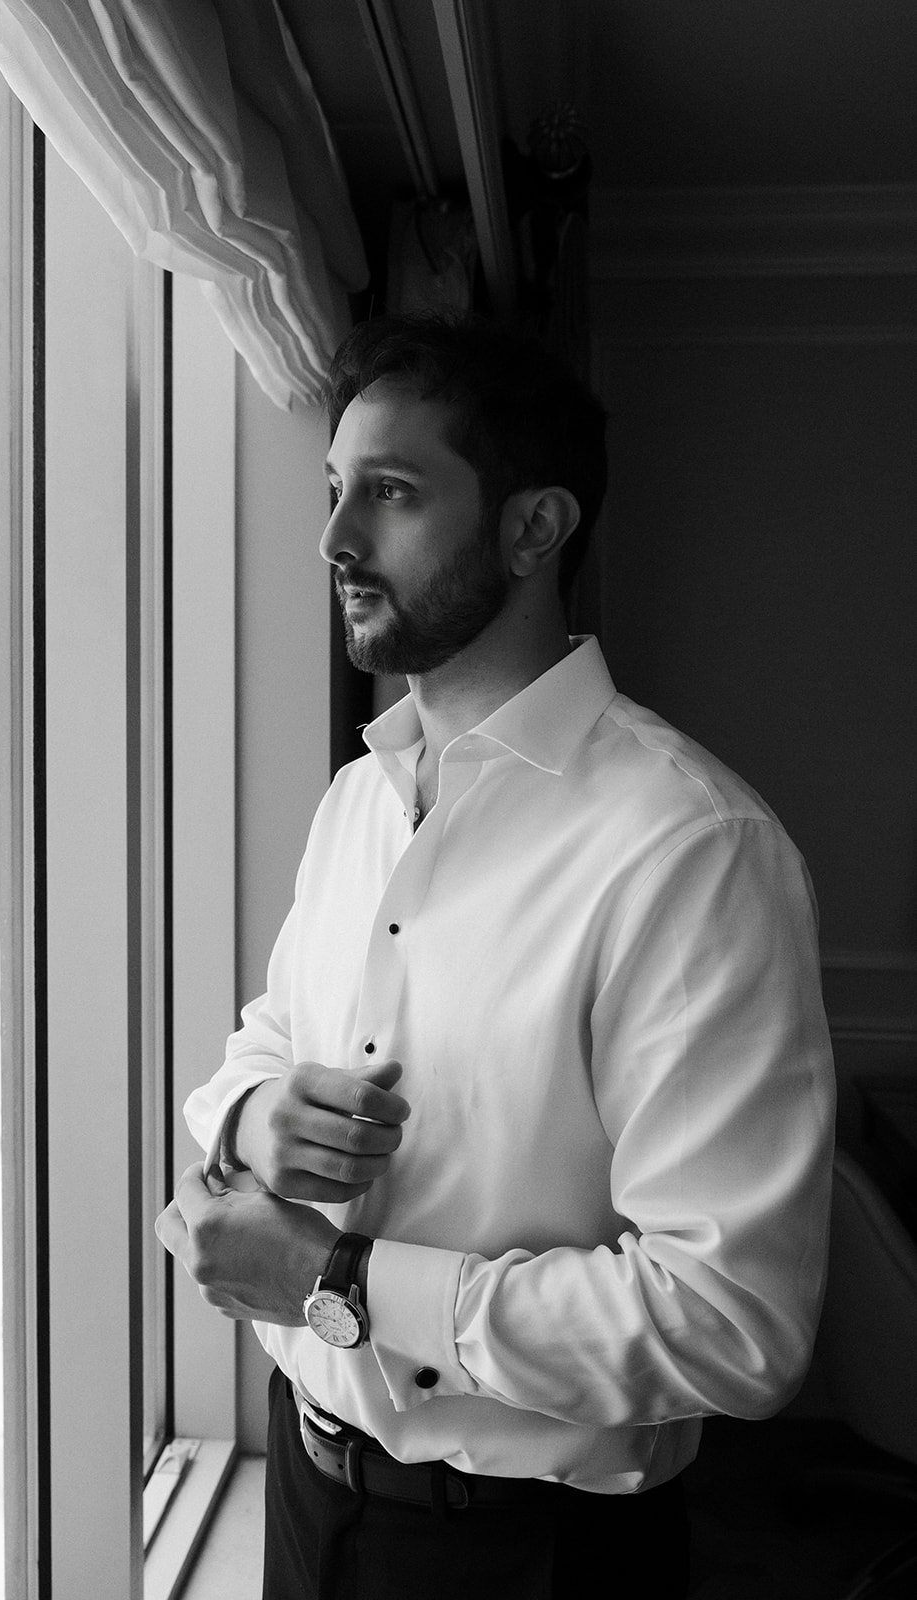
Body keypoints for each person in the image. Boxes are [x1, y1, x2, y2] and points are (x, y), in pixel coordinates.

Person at [155, 314, 835, 1599]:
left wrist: (339, 1281)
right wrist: (254, 1117)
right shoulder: (357, 800)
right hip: (307, 1497)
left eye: (390, 492)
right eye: (333, 487)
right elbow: (269, 1033)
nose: (332, 537)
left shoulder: (689, 849)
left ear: (533, 528)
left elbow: (732, 1324)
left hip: (529, 1555)